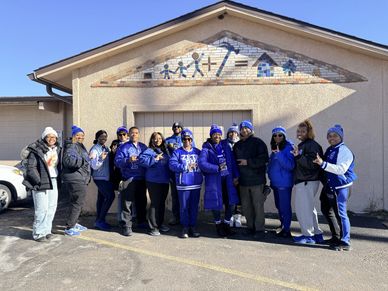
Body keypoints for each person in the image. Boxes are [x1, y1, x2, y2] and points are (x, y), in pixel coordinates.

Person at [313, 124, 357, 251]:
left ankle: (345, 241)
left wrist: (323, 163)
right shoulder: (331, 149)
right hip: (330, 185)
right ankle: (336, 236)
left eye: (335, 136)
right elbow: (323, 165)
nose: (332, 138)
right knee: (326, 209)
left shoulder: (344, 150)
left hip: (341, 187)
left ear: (341, 137)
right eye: (329, 136)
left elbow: (341, 169)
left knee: (341, 214)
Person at [199, 124, 239, 237]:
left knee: (231, 203)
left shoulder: (225, 146)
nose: (217, 136)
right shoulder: (206, 148)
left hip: (228, 180)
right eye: (215, 134)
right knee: (216, 203)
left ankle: (226, 225)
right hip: (214, 181)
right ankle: (218, 225)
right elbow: (202, 163)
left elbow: (233, 162)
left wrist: (236, 175)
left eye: (219, 134)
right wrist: (216, 168)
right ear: (211, 135)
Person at [22, 127, 61, 242]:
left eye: (53, 137)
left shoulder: (56, 149)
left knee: (51, 208)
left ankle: (47, 231)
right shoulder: (36, 150)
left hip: (53, 179)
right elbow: (31, 167)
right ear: (44, 137)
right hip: (41, 181)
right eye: (49, 136)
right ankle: (38, 233)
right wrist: (38, 181)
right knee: (41, 209)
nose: (51, 139)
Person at [233, 120, 269, 239]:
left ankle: (259, 229)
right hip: (243, 182)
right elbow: (234, 163)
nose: (244, 130)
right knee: (246, 207)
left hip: (257, 181)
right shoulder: (237, 145)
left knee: (258, 206)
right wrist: (236, 177)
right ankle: (250, 227)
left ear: (251, 129)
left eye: (246, 128)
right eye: (242, 128)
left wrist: (248, 162)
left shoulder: (258, 143)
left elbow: (264, 159)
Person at [291, 120, 324, 244]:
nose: (300, 133)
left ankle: (308, 236)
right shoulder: (305, 144)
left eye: (303, 131)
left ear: (309, 132)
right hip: (307, 181)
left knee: (303, 209)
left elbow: (313, 164)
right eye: (298, 131)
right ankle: (317, 234)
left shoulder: (311, 145)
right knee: (309, 209)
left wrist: (298, 156)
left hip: (306, 181)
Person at [169, 129, 203, 238]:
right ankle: (185, 227)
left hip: (196, 184)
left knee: (193, 207)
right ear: (182, 140)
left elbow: (204, 163)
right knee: (184, 207)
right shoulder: (177, 152)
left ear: (192, 140)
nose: (187, 141)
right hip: (183, 185)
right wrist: (185, 167)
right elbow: (172, 165)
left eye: (189, 139)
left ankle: (192, 227)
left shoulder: (198, 152)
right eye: (184, 139)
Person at [114, 126, 147, 236]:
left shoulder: (143, 146)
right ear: (129, 135)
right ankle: (126, 226)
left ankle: (141, 222)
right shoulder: (123, 147)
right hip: (128, 178)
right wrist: (128, 160)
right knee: (127, 203)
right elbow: (117, 162)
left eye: (136, 133)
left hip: (141, 178)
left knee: (141, 202)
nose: (134, 135)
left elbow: (149, 158)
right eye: (132, 133)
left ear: (138, 134)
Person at [139, 132, 171, 236]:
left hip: (164, 181)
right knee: (155, 203)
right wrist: (155, 159)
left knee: (161, 203)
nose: (158, 140)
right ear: (152, 140)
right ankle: (152, 227)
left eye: (160, 138)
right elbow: (142, 161)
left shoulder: (165, 151)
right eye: (155, 139)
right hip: (153, 181)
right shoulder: (149, 150)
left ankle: (160, 224)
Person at [62, 125, 91, 236]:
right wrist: (84, 159)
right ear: (73, 136)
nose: (80, 137)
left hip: (78, 177)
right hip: (76, 178)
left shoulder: (78, 146)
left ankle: (73, 223)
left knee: (76, 202)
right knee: (77, 203)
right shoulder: (72, 146)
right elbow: (69, 161)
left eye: (82, 135)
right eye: (78, 135)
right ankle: (70, 227)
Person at [267, 126, 295, 238]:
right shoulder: (275, 147)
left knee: (284, 206)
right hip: (275, 183)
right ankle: (283, 225)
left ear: (284, 136)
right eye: (275, 135)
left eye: (280, 135)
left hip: (284, 183)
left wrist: (279, 154)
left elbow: (290, 165)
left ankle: (287, 230)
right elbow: (272, 164)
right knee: (279, 206)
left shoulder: (289, 147)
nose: (277, 137)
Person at [89, 130, 115, 231]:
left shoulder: (106, 148)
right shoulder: (95, 149)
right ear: (97, 138)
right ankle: (100, 220)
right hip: (100, 178)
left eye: (105, 137)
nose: (103, 139)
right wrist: (101, 158)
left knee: (101, 198)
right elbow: (94, 166)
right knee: (110, 196)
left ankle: (99, 220)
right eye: (101, 137)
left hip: (105, 177)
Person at [223, 123, 243, 228]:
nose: (232, 134)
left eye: (235, 132)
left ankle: (238, 216)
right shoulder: (225, 145)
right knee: (228, 196)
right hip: (228, 175)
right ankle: (229, 215)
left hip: (241, 174)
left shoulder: (241, 144)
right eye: (230, 132)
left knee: (239, 196)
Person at [165, 122, 184, 226]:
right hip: (173, 173)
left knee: (184, 196)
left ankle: (185, 216)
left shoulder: (186, 138)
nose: (176, 128)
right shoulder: (168, 140)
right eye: (175, 127)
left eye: (178, 126)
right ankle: (176, 217)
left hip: (185, 173)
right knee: (175, 195)